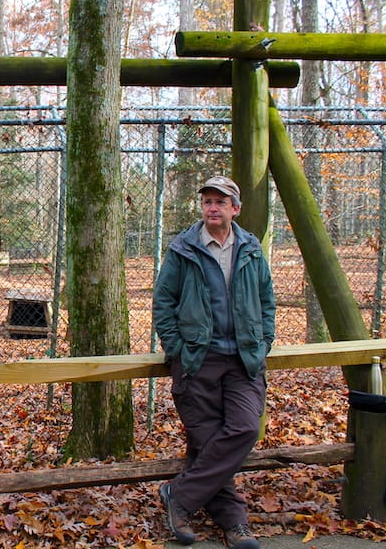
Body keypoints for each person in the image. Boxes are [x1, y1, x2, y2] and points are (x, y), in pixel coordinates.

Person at [152, 175, 276, 549]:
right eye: (207, 201)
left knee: (243, 428)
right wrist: (176, 347)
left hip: (243, 360)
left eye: (221, 202)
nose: (213, 208)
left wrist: (263, 339)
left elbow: (267, 301)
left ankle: (180, 495)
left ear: (235, 209)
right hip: (197, 361)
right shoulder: (183, 249)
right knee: (208, 444)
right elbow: (163, 303)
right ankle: (235, 523)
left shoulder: (251, 249)